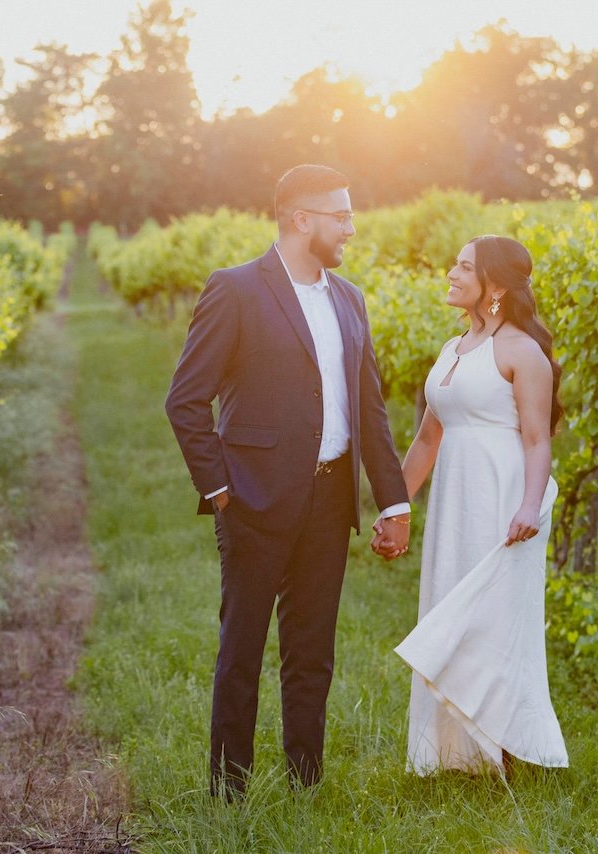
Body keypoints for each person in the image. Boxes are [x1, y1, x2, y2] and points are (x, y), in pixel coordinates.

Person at [165, 164, 411, 798]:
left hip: (331, 500)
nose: (351, 229)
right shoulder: (237, 289)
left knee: (312, 655)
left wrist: (393, 500)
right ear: (303, 220)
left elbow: (371, 409)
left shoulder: (350, 298)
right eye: (342, 216)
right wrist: (219, 490)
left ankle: (306, 786)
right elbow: (186, 400)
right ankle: (229, 793)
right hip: (251, 498)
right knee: (241, 652)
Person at [383, 235, 569, 776]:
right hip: (455, 499)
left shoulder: (521, 351)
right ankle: (453, 753)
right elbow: (426, 442)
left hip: (503, 495)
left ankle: (503, 754)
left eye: (465, 266)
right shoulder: (453, 348)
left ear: (495, 285)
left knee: (494, 619)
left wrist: (530, 507)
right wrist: (396, 507)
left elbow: (538, 439)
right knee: (451, 603)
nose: (452, 272)